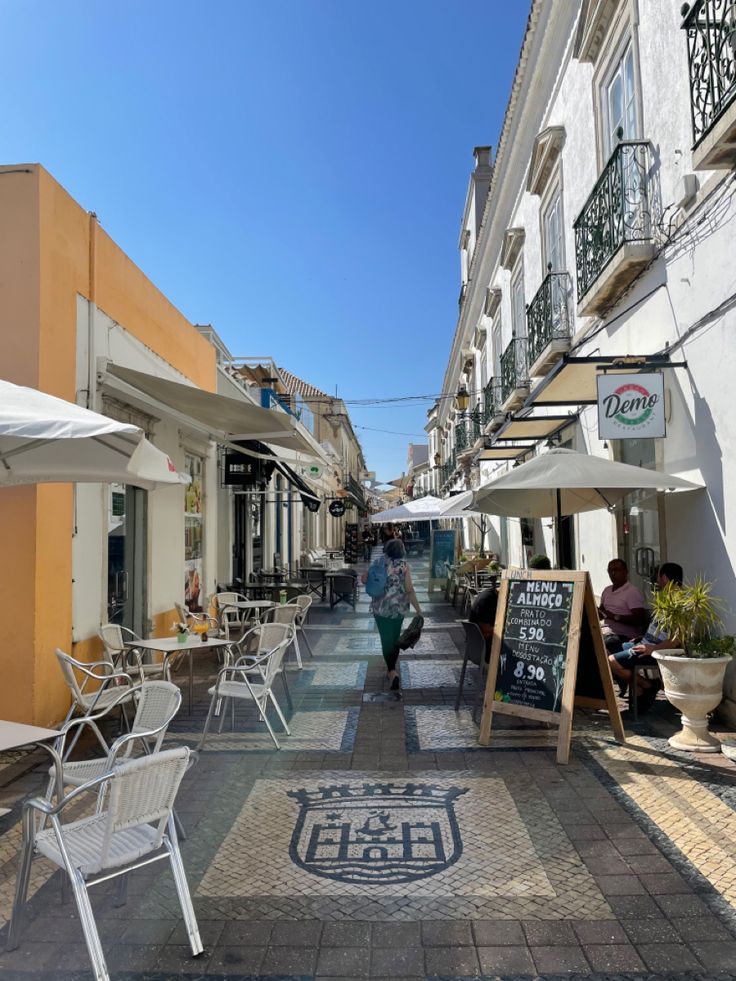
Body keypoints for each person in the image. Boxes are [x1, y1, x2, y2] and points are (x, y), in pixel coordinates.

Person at [608, 562, 684, 708]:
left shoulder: (679, 604)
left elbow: (676, 640)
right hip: (644, 643)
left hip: (654, 649)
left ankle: (646, 685)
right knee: (605, 650)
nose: (657, 580)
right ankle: (642, 687)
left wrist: (652, 649)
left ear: (665, 578)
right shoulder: (666, 599)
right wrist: (641, 639)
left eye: (659, 577)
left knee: (611, 661)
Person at [363, 538, 423, 690]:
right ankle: (392, 670)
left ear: (387, 549)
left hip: (380, 608)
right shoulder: (404, 566)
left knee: (385, 639)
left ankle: (391, 671)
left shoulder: (378, 563)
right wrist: (418, 609)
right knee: (395, 638)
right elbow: (409, 589)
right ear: (402, 550)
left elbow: (364, 579)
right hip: (398, 609)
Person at [598, 558, 649, 654]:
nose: (613, 573)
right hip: (605, 631)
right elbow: (602, 612)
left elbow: (640, 620)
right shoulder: (607, 590)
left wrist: (614, 616)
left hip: (623, 636)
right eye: (610, 570)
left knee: (598, 644)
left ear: (625, 572)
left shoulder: (632, 592)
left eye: (616, 570)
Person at [468, 586, 499, 660]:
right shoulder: (487, 599)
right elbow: (485, 628)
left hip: (478, 641)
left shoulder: (491, 594)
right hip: (482, 646)